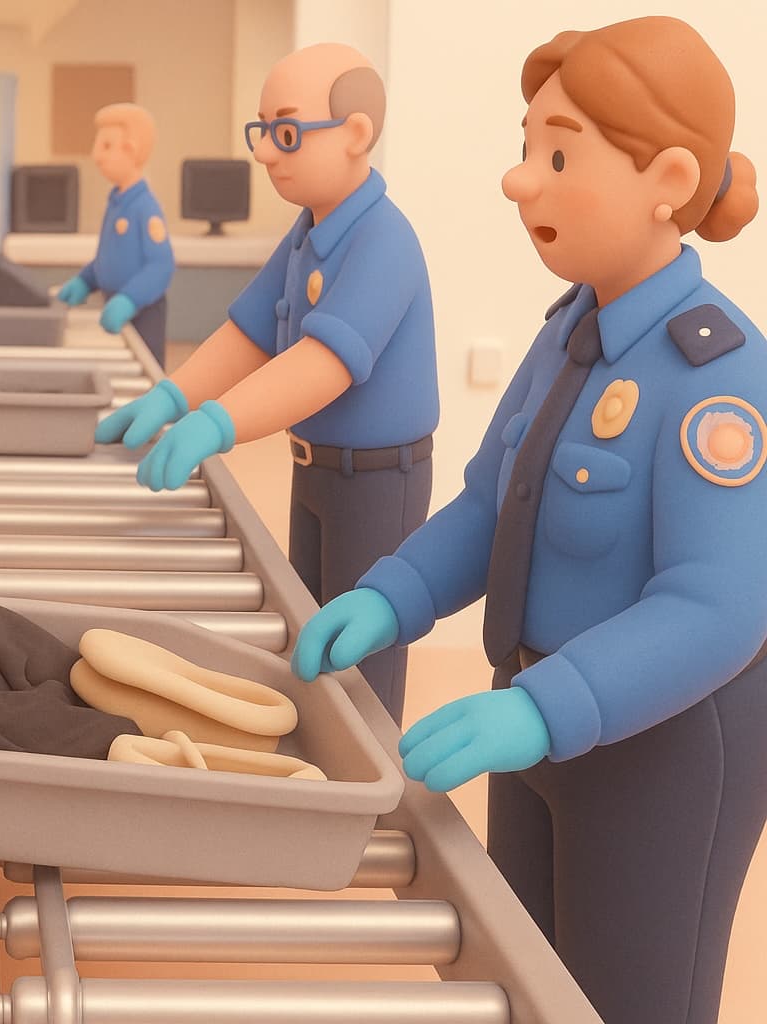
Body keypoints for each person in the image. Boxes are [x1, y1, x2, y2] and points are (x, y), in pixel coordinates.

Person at [293, 18, 767, 1024]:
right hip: (537, 720)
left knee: (626, 998)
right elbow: (489, 503)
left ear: (669, 178)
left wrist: (544, 706)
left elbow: (720, 605)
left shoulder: (718, 377)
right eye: (525, 149)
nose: (520, 181)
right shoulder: (566, 338)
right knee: (515, 976)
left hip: (659, 747)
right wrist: (393, 594)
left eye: (558, 154)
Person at [98, 44, 437, 723]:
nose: (265, 153)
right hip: (313, 470)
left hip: (375, 481)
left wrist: (217, 423)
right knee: (304, 631)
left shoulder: (383, 240)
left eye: (285, 133)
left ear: (355, 135)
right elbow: (251, 332)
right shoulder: (311, 232)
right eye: (262, 132)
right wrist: (172, 396)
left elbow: (323, 365)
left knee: (360, 659)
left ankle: (366, 801)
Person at [55, 103, 174, 364]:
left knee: (146, 368)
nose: (96, 155)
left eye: (106, 146)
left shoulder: (145, 208)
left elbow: (161, 265)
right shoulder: (117, 203)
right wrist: (86, 281)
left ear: (131, 149)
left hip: (143, 312)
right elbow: (110, 256)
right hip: (114, 308)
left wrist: (129, 300)